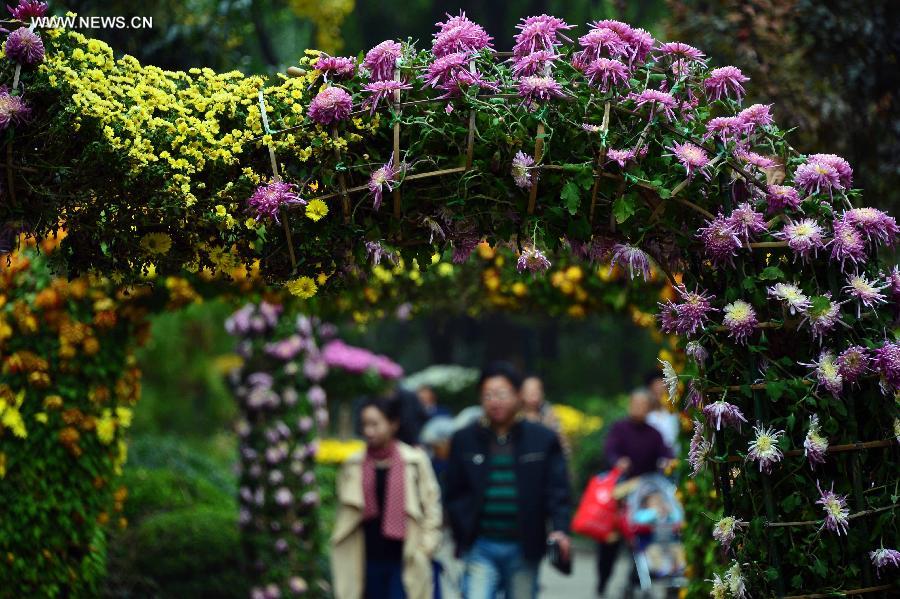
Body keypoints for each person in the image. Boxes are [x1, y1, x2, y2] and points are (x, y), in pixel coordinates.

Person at [444, 362, 572, 599]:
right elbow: (453, 490)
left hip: (524, 546)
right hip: (480, 545)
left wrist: (560, 530)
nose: (494, 401)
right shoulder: (465, 440)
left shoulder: (542, 439)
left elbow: (557, 490)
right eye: (488, 395)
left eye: (502, 393)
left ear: (518, 395)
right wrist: (462, 532)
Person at [332, 396, 443, 599]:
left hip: (405, 557)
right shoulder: (353, 463)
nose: (369, 431)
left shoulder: (415, 461)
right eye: (365, 424)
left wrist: (427, 547)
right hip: (365, 557)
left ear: (393, 424)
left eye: (375, 424)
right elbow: (344, 510)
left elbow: (431, 504)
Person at [596, 389, 674, 597]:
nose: (638, 408)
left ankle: (635, 580)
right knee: (610, 543)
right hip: (620, 494)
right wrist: (618, 461)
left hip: (644, 495)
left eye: (643, 405)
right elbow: (610, 451)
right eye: (635, 404)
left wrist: (668, 461)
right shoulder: (619, 428)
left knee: (642, 540)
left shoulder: (654, 434)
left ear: (649, 408)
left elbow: (666, 453)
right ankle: (602, 580)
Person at [520, 375, 570, 455]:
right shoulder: (515, 416)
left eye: (537, 390)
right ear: (521, 393)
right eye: (530, 391)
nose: (534, 394)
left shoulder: (550, 414)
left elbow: (562, 445)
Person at [643, 371, 680, 457]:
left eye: (662, 389)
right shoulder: (646, 417)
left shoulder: (677, 412)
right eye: (656, 391)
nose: (660, 394)